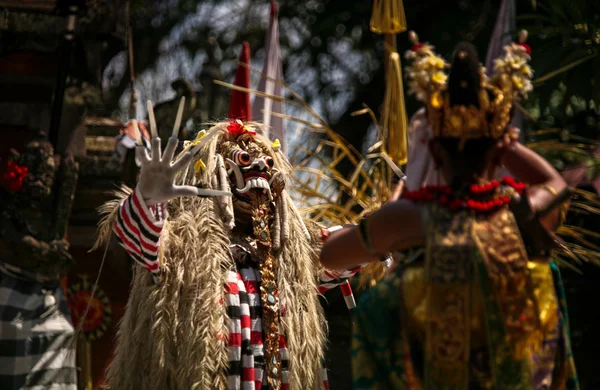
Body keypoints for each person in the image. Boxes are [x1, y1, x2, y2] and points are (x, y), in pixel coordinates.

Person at [320, 34, 579, 389]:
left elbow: (330, 254)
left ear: (435, 152)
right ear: (497, 149)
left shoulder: (408, 217)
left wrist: (390, 211)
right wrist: (506, 147)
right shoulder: (519, 213)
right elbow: (557, 184)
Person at [95, 110, 383, 389]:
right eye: (243, 160)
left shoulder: (290, 252)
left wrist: (389, 226)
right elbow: (135, 234)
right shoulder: (177, 242)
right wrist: (148, 197)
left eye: (266, 162)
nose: (258, 167)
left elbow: (336, 251)